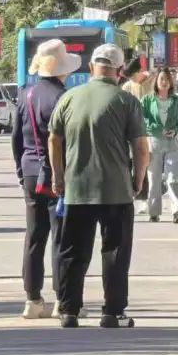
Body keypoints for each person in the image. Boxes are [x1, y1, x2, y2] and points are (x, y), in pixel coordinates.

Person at [49, 44, 149, 329]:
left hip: (76, 188)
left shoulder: (69, 98)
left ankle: (69, 310)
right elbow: (141, 147)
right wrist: (138, 179)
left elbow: (54, 140)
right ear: (119, 72)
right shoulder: (126, 101)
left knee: (72, 251)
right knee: (115, 251)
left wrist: (58, 176)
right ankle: (112, 312)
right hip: (116, 190)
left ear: (91, 68)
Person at [12, 40, 80, 320]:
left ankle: (32, 299)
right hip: (57, 174)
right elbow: (69, 141)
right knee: (60, 238)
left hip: (30, 171)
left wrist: (20, 170)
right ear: (62, 70)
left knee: (34, 236)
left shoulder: (25, 95)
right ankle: (62, 299)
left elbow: (17, 138)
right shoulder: (64, 97)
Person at [140, 68, 178, 224]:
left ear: (171, 82)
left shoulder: (177, 101)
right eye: (161, 79)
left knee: (172, 178)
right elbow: (142, 119)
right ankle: (154, 212)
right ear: (156, 81)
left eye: (167, 79)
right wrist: (157, 129)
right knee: (154, 178)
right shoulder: (147, 100)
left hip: (172, 143)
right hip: (154, 142)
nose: (164, 82)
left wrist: (175, 130)